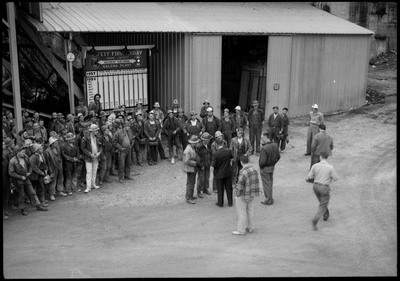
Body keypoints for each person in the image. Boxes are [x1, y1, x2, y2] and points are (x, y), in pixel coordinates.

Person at [9, 145, 48, 215]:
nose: (24, 154)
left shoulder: (26, 158)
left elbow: (30, 166)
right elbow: (11, 173)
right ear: (18, 152)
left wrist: (29, 172)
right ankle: (22, 209)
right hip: (19, 181)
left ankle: (38, 205)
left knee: (32, 192)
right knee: (22, 194)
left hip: (26, 178)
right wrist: (20, 177)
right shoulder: (12, 161)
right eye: (23, 152)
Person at [306, 151, 339, 231]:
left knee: (322, 202)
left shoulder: (315, 166)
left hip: (315, 186)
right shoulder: (330, 167)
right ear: (327, 157)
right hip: (324, 187)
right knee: (323, 204)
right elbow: (336, 178)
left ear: (320, 157)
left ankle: (326, 214)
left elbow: (309, 176)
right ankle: (315, 219)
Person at [232, 155, 260, 235]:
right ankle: (251, 227)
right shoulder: (254, 169)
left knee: (242, 213)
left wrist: (237, 193)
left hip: (243, 195)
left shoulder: (243, 171)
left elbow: (240, 184)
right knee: (250, 211)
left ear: (241, 162)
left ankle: (241, 230)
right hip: (251, 194)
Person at [259, 133, 280, 205]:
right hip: (272, 167)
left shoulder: (264, 148)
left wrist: (261, 166)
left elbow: (262, 161)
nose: (261, 140)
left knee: (266, 184)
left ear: (265, 137)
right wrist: (273, 163)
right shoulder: (275, 145)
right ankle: (270, 198)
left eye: (262, 138)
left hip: (265, 169)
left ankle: (268, 199)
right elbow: (278, 156)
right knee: (270, 183)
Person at [81, 124, 102, 193]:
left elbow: (101, 146)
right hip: (89, 158)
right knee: (89, 172)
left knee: (94, 171)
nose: (97, 132)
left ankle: (93, 184)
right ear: (92, 131)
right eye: (96, 130)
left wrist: (99, 153)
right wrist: (90, 154)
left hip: (96, 157)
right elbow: (83, 148)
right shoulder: (85, 138)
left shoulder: (98, 137)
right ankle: (88, 187)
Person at [211, 140, 233, 207]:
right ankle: (230, 202)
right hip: (228, 172)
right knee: (229, 188)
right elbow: (232, 157)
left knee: (220, 189)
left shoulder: (215, 154)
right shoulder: (228, 151)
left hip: (219, 173)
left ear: (217, 146)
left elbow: (214, 165)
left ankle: (220, 203)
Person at [29, 143, 49, 207]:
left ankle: (41, 200)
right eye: (40, 148)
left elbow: (44, 163)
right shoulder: (33, 157)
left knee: (42, 187)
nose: (42, 148)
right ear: (37, 150)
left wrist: (45, 170)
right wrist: (40, 172)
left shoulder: (41, 155)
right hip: (36, 176)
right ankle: (40, 201)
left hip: (41, 174)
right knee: (40, 188)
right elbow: (34, 167)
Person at [183, 135, 201, 204]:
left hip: (193, 168)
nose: (196, 144)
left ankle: (190, 195)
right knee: (190, 183)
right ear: (192, 143)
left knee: (192, 182)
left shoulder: (192, 148)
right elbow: (186, 161)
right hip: (190, 169)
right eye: (195, 143)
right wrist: (195, 163)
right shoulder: (187, 150)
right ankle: (188, 198)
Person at [195, 132, 213, 197]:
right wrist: (200, 165)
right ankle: (199, 191)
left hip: (207, 163)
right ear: (204, 140)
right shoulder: (199, 146)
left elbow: (210, 154)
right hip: (201, 165)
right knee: (201, 178)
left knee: (207, 177)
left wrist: (210, 162)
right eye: (208, 139)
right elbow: (197, 157)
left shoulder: (208, 145)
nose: (209, 140)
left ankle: (205, 188)